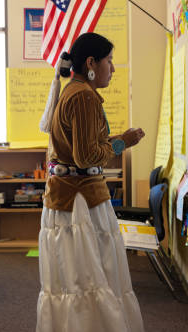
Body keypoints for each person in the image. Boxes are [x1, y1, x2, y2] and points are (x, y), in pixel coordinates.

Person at [36, 33, 145, 332]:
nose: (112, 68)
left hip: (69, 197)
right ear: (91, 63)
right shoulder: (83, 96)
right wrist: (123, 142)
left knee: (77, 278)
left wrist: (117, 141)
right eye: (109, 61)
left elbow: (83, 148)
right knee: (90, 277)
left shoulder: (74, 91)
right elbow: (87, 158)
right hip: (80, 202)